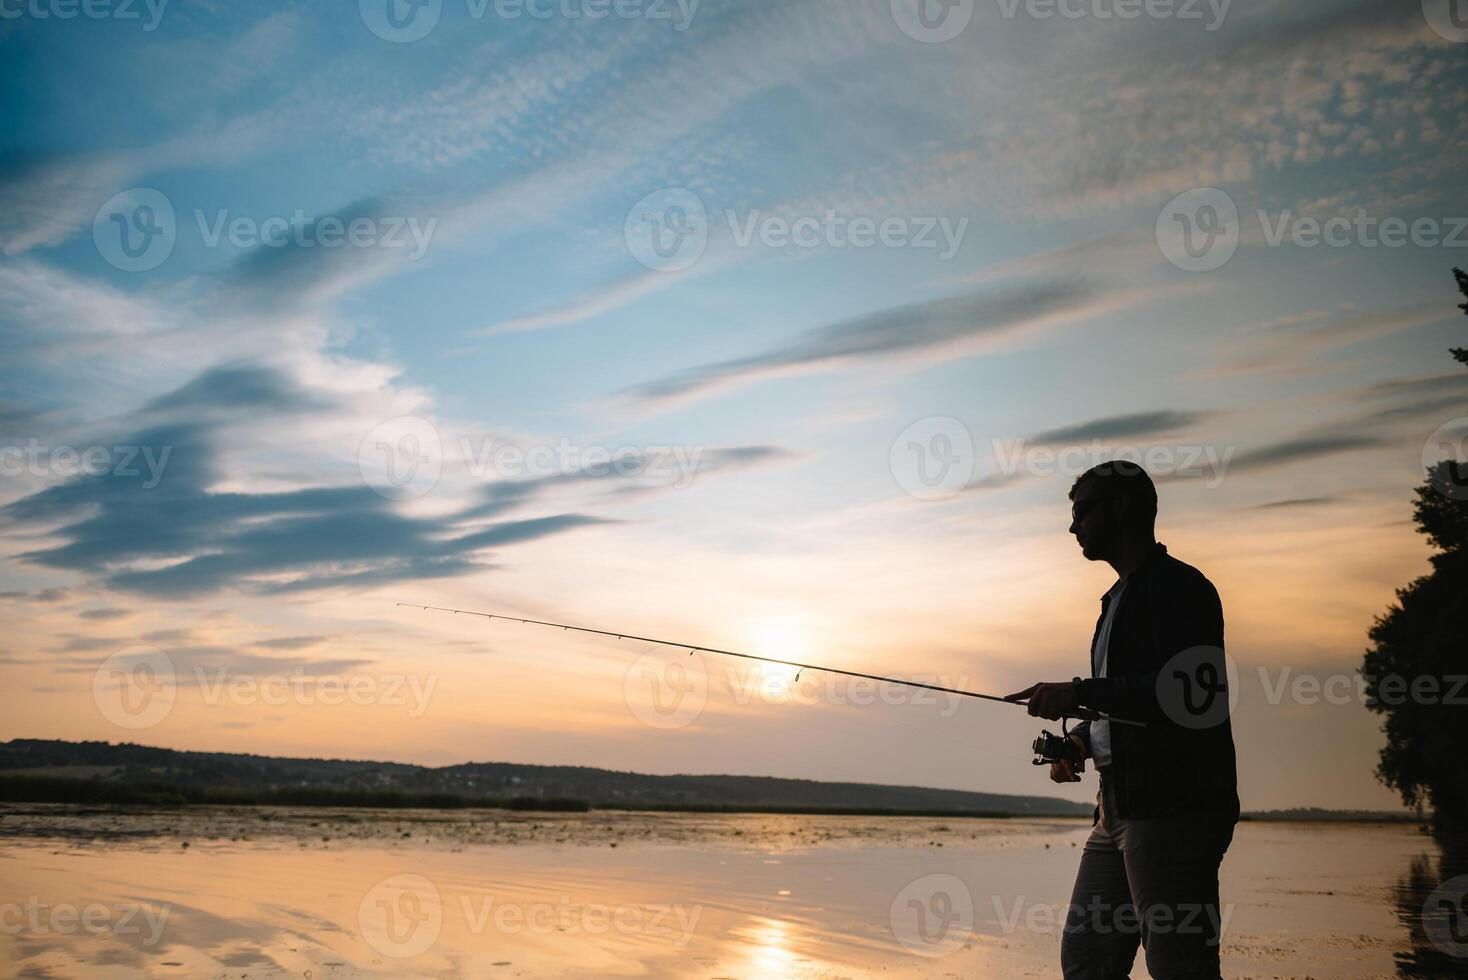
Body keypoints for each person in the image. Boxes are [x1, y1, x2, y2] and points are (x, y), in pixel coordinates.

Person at [1007, 460, 1239, 980]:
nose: (1074, 526)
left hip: (1173, 809)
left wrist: (1079, 692)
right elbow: (1125, 710)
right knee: (1087, 961)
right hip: (1116, 808)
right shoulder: (1114, 601)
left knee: (1181, 966)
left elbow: (1187, 697)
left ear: (1123, 508)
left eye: (1083, 511)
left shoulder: (1182, 589)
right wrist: (1081, 741)